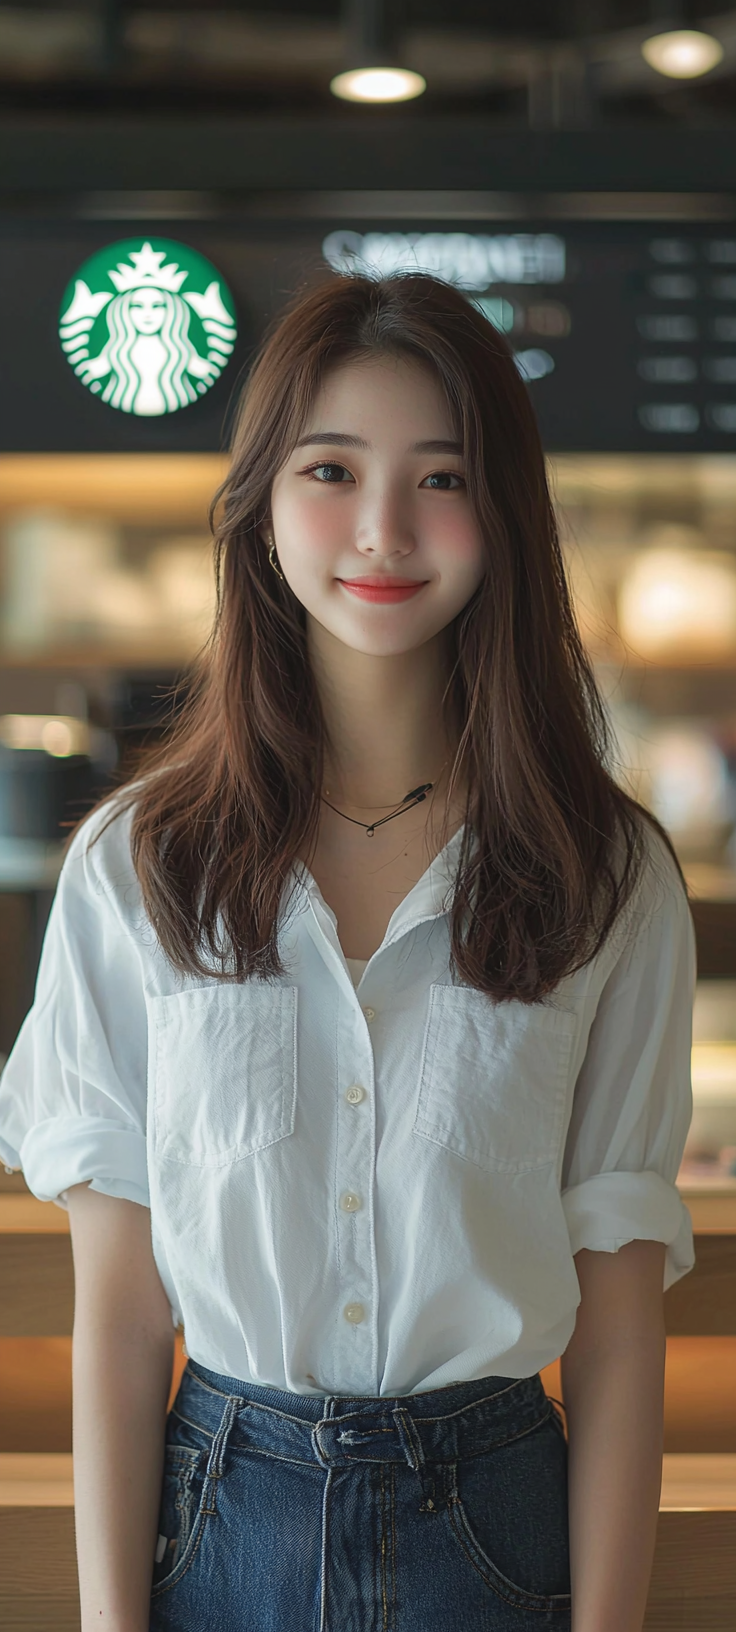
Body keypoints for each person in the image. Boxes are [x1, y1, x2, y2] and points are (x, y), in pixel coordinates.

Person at [0, 270, 697, 1632]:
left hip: (500, 1525)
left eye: (441, 477)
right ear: (260, 500)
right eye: (332, 468)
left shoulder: (605, 875)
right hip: (215, 1515)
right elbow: (126, 1317)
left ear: (503, 517)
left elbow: (617, 1333)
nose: (384, 528)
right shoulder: (142, 868)